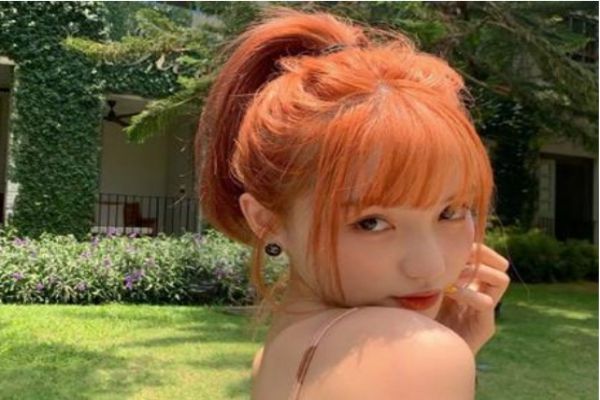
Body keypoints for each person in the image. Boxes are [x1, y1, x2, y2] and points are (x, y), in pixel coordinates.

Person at [195, 6, 511, 400]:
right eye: (371, 222)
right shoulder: (412, 352)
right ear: (267, 221)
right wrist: (434, 353)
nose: (429, 266)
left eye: (450, 212)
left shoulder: (278, 354)